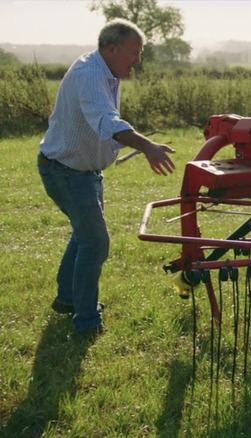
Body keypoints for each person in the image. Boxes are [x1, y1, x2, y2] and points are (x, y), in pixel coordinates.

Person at [37, 18, 175, 336]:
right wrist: (146, 145)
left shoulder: (105, 71)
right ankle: (86, 322)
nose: (137, 61)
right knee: (95, 242)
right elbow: (105, 119)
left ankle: (67, 298)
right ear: (111, 49)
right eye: (133, 53)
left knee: (85, 236)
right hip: (66, 171)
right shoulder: (90, 75)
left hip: (81, 171)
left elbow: (104, 122)